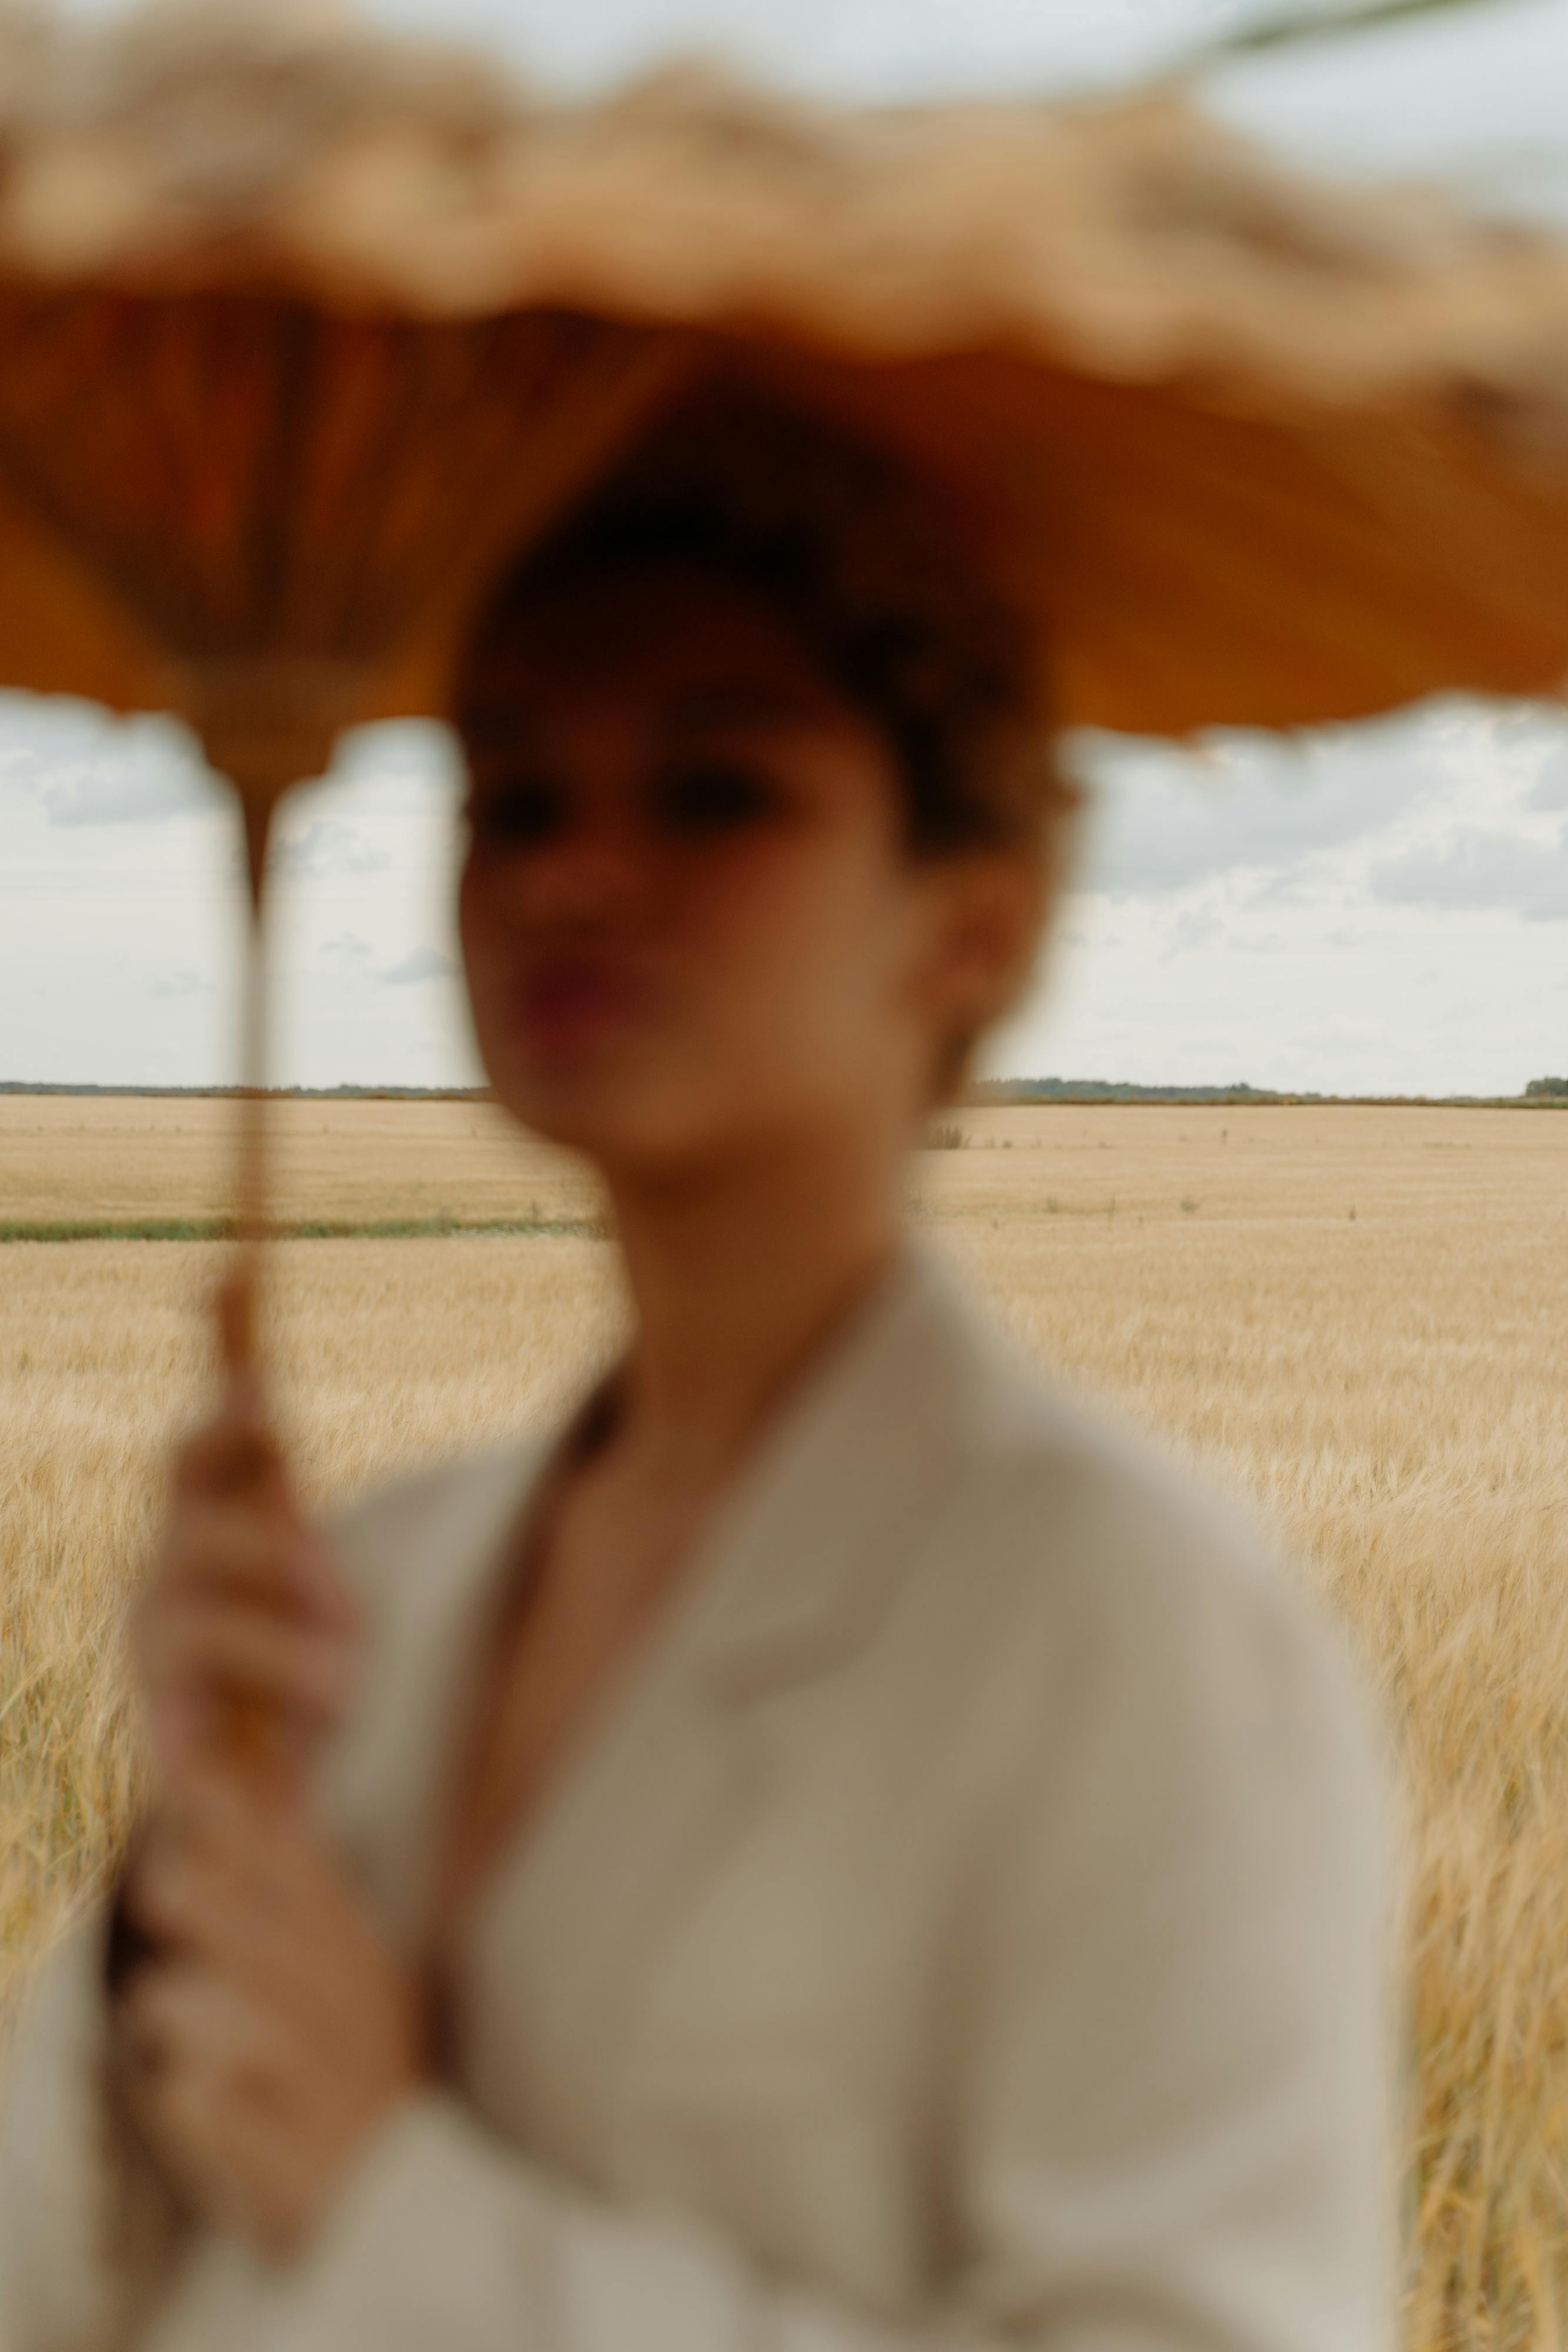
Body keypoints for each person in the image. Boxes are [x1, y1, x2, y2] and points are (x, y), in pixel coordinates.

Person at [0, 390, 1392, 2352]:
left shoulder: (1135, 1628)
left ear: (970, 929)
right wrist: (183, 1854)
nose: (573, 872)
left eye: (714, 790)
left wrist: (395, 2214)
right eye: (511, 795)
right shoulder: (364, 1584)